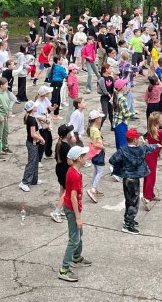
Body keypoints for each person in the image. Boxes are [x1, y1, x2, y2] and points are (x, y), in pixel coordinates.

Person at [109, 129, 161, 234]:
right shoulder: (141, 149)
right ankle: (128, 225)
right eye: (137, 137)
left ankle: (127, 219)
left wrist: (121, 167)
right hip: (134, 179)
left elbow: (112, 160)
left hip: (126, 179)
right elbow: (149, 147)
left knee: (128, 200)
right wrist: (157, 145)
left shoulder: (123, 150)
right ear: (135, 139)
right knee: (134, 202)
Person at [58, 145, 91, 283]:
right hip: (72, 209)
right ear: (79, 159)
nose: (86, 158)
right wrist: (78, 218)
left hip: (72, 208)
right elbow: (73, 197)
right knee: (74, 239)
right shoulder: (75, 175)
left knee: (79, 233)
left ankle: (76, 257)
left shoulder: (74, 171)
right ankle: (64, 269)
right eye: (84, 156)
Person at [143, 112, 162, 210]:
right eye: (161, 118)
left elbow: (147, 142)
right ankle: (146, 197)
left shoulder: (150, 130)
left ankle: (150, 194)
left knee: (147, 176)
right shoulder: (160, 132)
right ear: (158, 121)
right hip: (152, 156)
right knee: (151, 177)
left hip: (148, 155)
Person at [20, 101, 46, 192]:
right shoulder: (32, 120)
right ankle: (24, 182)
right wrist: (41, 139)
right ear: (32, 109)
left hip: (34, 143)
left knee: (35, 161)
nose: (36, 107)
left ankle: (34, 180)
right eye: (34, 106)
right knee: (31, 162)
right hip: (32, 143)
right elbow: (33, 134)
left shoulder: (32, 118)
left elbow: (35, 132)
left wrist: (40, 138)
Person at [86, 109, 105, 203]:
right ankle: (93, 189)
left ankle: (94, 187)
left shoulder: (91, 128)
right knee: (100, 171)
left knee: (96, 170)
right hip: (98, 152)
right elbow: (96, 144)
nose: (101, 119)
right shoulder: (96, 130)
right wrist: (103, 146)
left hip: (93, 153)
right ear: (97, 119)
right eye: (100, 118)